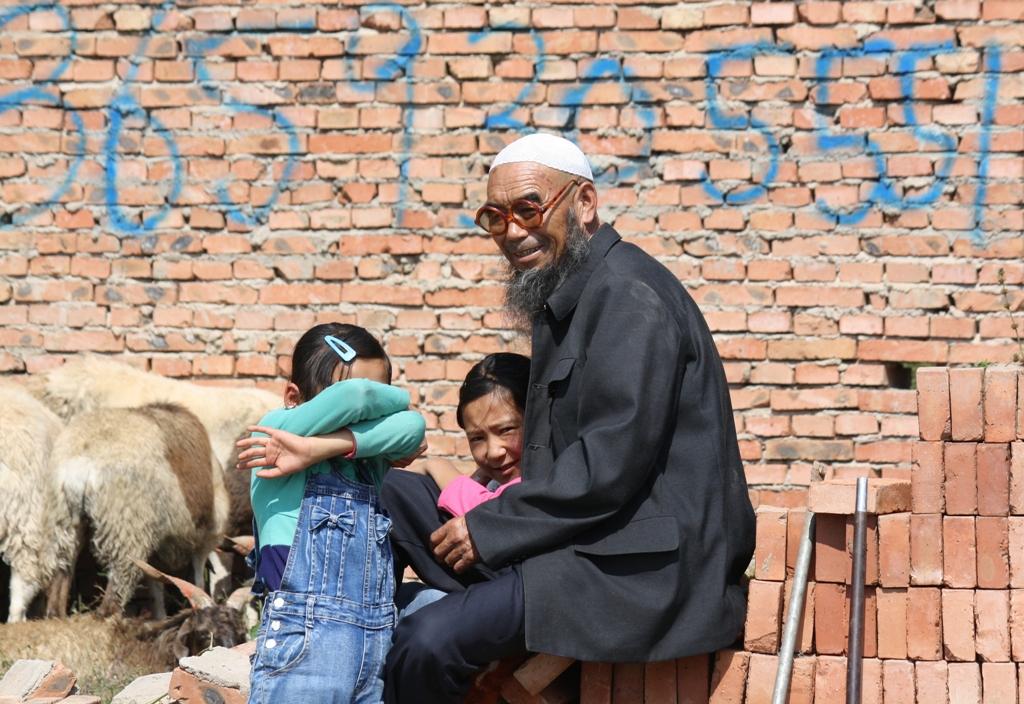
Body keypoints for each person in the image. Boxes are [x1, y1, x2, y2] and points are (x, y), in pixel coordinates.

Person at [384, 133, 757, 704]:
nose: (512, 231)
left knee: (426, 639)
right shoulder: (575, 293)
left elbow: (608, 466)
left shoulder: (628, 296)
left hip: (635, 571)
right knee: (387, 497)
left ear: (585, 203)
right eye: (495, 217)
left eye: (529, 210)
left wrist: (490, 528)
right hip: (587, 541)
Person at [235, 323, 426, 704]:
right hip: (302, 643)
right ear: (294, 396)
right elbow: (356, 395)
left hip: (372, 648)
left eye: (381, 401)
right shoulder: (274, 435)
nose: (365, 416)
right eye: (377, 400)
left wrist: (321, 447)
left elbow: (415, 427)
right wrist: (386, 407)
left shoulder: (369, 463)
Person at [380, 352, 529, 593]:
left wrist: (437, 465)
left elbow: (491, 512)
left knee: (394, 490)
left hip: (519, 592)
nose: (494, 452)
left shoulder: (551, 473)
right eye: (477, 438)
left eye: (506, 430)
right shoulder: (493, 476)